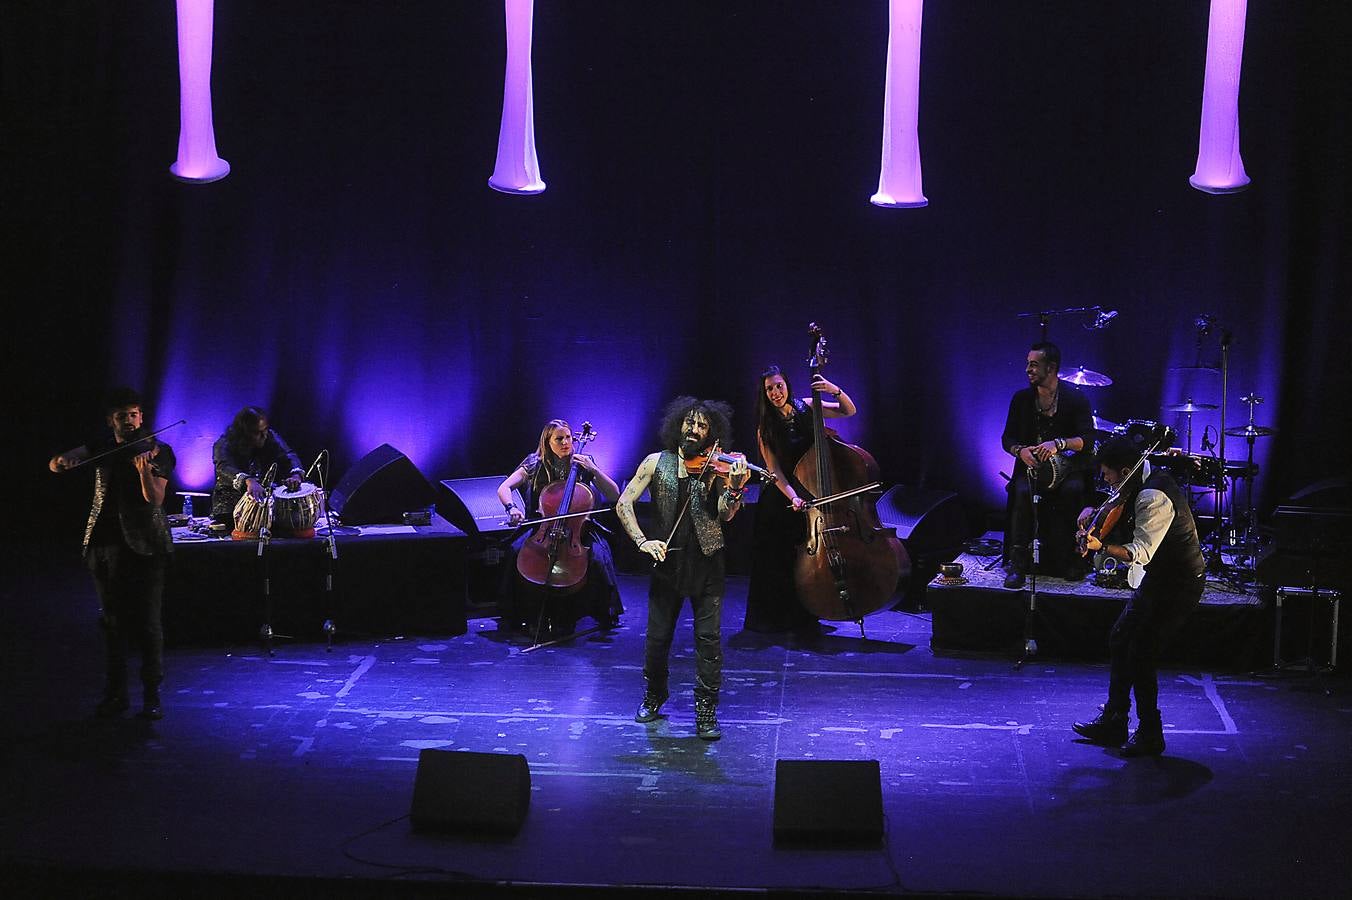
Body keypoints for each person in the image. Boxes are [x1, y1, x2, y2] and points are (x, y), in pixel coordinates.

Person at [615, 397, 750, 741]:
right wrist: (643, 542)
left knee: (709, 642)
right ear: (678, 424)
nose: (694, 429)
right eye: (690, 422)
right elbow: (623, 502)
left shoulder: (717, 468)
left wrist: (733, 489)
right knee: (657, 641)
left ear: (711, 433)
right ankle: (654, 694)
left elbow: (725, 514)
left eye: (702, 425)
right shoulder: (654, 462)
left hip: (707, 563)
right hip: (667, 564)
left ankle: (706, 710)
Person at [1072, 434, 1206, 757]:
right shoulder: (1135, 483)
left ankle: (1150, 732)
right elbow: (1118, 503)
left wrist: (1100, 546)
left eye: (1107, 474)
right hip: (1160, 579)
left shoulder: (1153, 497)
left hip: (1180, 583)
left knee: (1142, 650)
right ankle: (1115, 721)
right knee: (1121, 637)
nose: (1104, 480)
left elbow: (1140, 552)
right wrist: (1095, 510)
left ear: (1126, 470)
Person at [49, 388, 176, 720]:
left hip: (146, 546)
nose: (130, 421)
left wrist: (143, 470)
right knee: (112, 622)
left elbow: (155, 500)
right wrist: (63, 462)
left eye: (134, 414)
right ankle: (116, 694)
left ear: (142, 417)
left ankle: (151, 696)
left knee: (148, 623)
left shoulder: (158, 450)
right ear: (112, 421)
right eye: (123, 416)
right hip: (103, 545)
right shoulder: (101, 447)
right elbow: (56, 463)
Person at [743, 365, 856, 634]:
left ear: (787, 386)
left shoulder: (807, 406)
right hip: (782, 498)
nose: (775, 392)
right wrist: (793, 497)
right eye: (769, 389)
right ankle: (779, 620)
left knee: (805, 560)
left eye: (778, 386)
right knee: (781, 560)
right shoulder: (765, 427)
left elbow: (848, 410)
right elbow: (774, 471)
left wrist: (833, 390)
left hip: (810, 492)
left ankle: (805, 613)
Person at [495, 419, 625, 638]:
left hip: (578, 530)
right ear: (548, 442)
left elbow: (614, 494)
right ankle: (528, 615)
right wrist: (511, 508)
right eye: (559, 439)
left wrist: (593, 470)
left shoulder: (584, 462)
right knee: (516, 552)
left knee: (598, 559)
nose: (566, 442)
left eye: (568, 438)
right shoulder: (534, 463)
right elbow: (504, 487)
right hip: (543, 527)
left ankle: (581, 614)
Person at [1000, 341, 1095, 589]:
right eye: (1027, 364)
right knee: (1022, 493)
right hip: (1032, 469)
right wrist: (1020, 452)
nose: (1028, 370)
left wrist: (1059, 443)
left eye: (1034, 365)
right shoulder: (1021, 399)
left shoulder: (1075, 399)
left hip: (1068, 470)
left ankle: (1071, 560)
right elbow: (1006, 439)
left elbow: (1087, 440)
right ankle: (1018, 564)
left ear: (1051, 368)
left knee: (1072, 492)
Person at [211, 406, 304, 527]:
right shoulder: (224, 443)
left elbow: (288, 455)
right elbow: (223, 467)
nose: (264, 435)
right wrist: (248, 481)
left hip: (264, 508)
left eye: (265, 429)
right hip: (230, 510)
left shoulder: (269, 436)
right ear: (245, 432)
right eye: (257, 432)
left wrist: (296, 475)